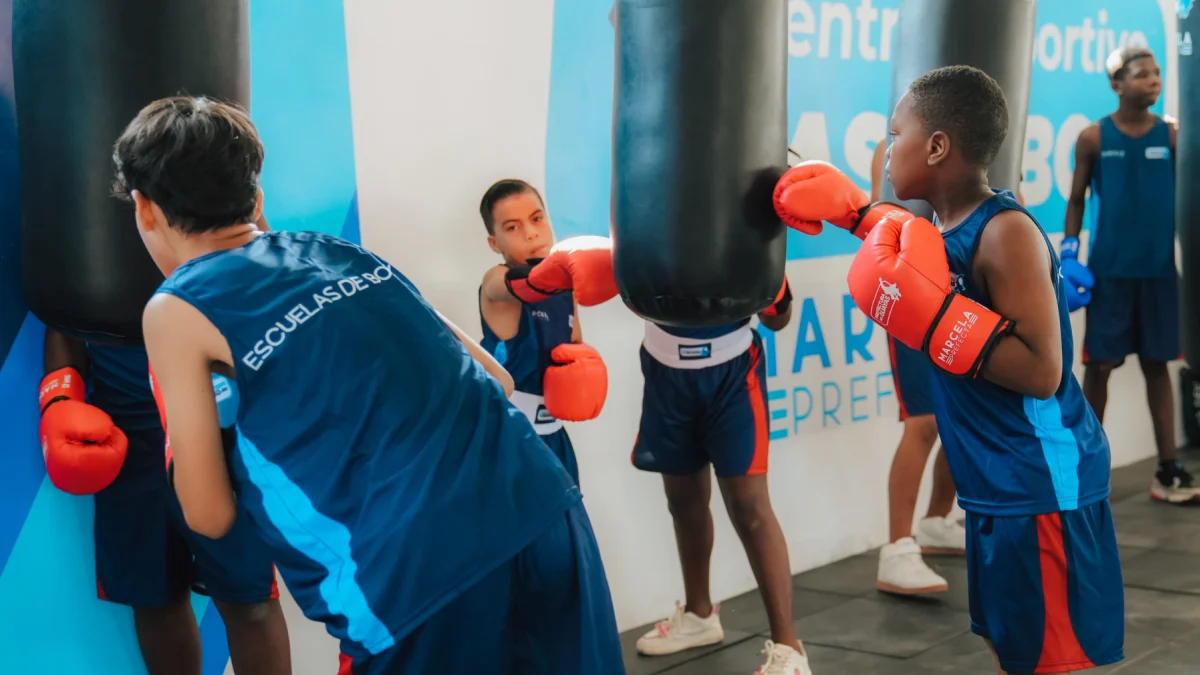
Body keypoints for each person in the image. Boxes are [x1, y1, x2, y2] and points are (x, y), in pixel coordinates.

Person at [113, 95, 623, 675]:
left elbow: (208, 516)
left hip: (410, 578)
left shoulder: (177, 305)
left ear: (144, 208)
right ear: (256, 197)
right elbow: (498, 377)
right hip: (540, 505)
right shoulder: (339, 251)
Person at [776, 66, 1122, 674]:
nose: (885, 152)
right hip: (991, 481)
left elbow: (1044, 370)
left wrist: (935, 322)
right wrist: (856, 212)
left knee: (1055, 660)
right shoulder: (934, 230)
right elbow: (908, 244)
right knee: (1012, 647)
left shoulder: (1005, 232)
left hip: (1040, 481)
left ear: (937, 146)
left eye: (896, 132)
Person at [38, 325, 291, 675]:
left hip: (211, 423)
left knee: (250, 599)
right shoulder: (69, 269)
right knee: (153, 599)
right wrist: (58, 401)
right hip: (122, 437)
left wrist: (237, 374)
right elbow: (63, 318)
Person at [630, 280, 813, 674]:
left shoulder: (740, 219)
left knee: (749, 506)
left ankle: (789, 650)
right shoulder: (648, 217)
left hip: (732, 371)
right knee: (682, 500)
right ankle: (699, 616)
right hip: (666, 370)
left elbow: (778, 320)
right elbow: (637, 297)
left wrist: (770, 286)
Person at [1064, 46, 1197, 504]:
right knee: (1098, 368)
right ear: (1117, 84)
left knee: (1158, 365)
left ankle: (1167, 469)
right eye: (1142, 74)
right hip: (1110, 275)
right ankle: (1085, 469)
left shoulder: (1176, 137)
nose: (1154, 80)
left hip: (1159, 273)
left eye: (1157, 73)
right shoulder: (1093, 138)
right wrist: (1068, 251)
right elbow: (1077, 199)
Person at [869, 139, 965, 597]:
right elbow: (882, 226)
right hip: (913, 297)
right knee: (923, 422)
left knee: (962, 416)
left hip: (964, 294)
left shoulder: (983, 135)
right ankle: (897, 550)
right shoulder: (897, 148)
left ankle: (935, 521)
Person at [477, 179, 608, 485]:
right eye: (512, 227)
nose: (530, 232)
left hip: (553, 436)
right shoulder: (496, 281)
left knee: (572, 529)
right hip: (508, 439)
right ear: (495, 244)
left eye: (536, 219)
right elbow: (515, 287)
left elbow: (573, 350)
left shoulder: (566, 291)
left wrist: (584, 375)